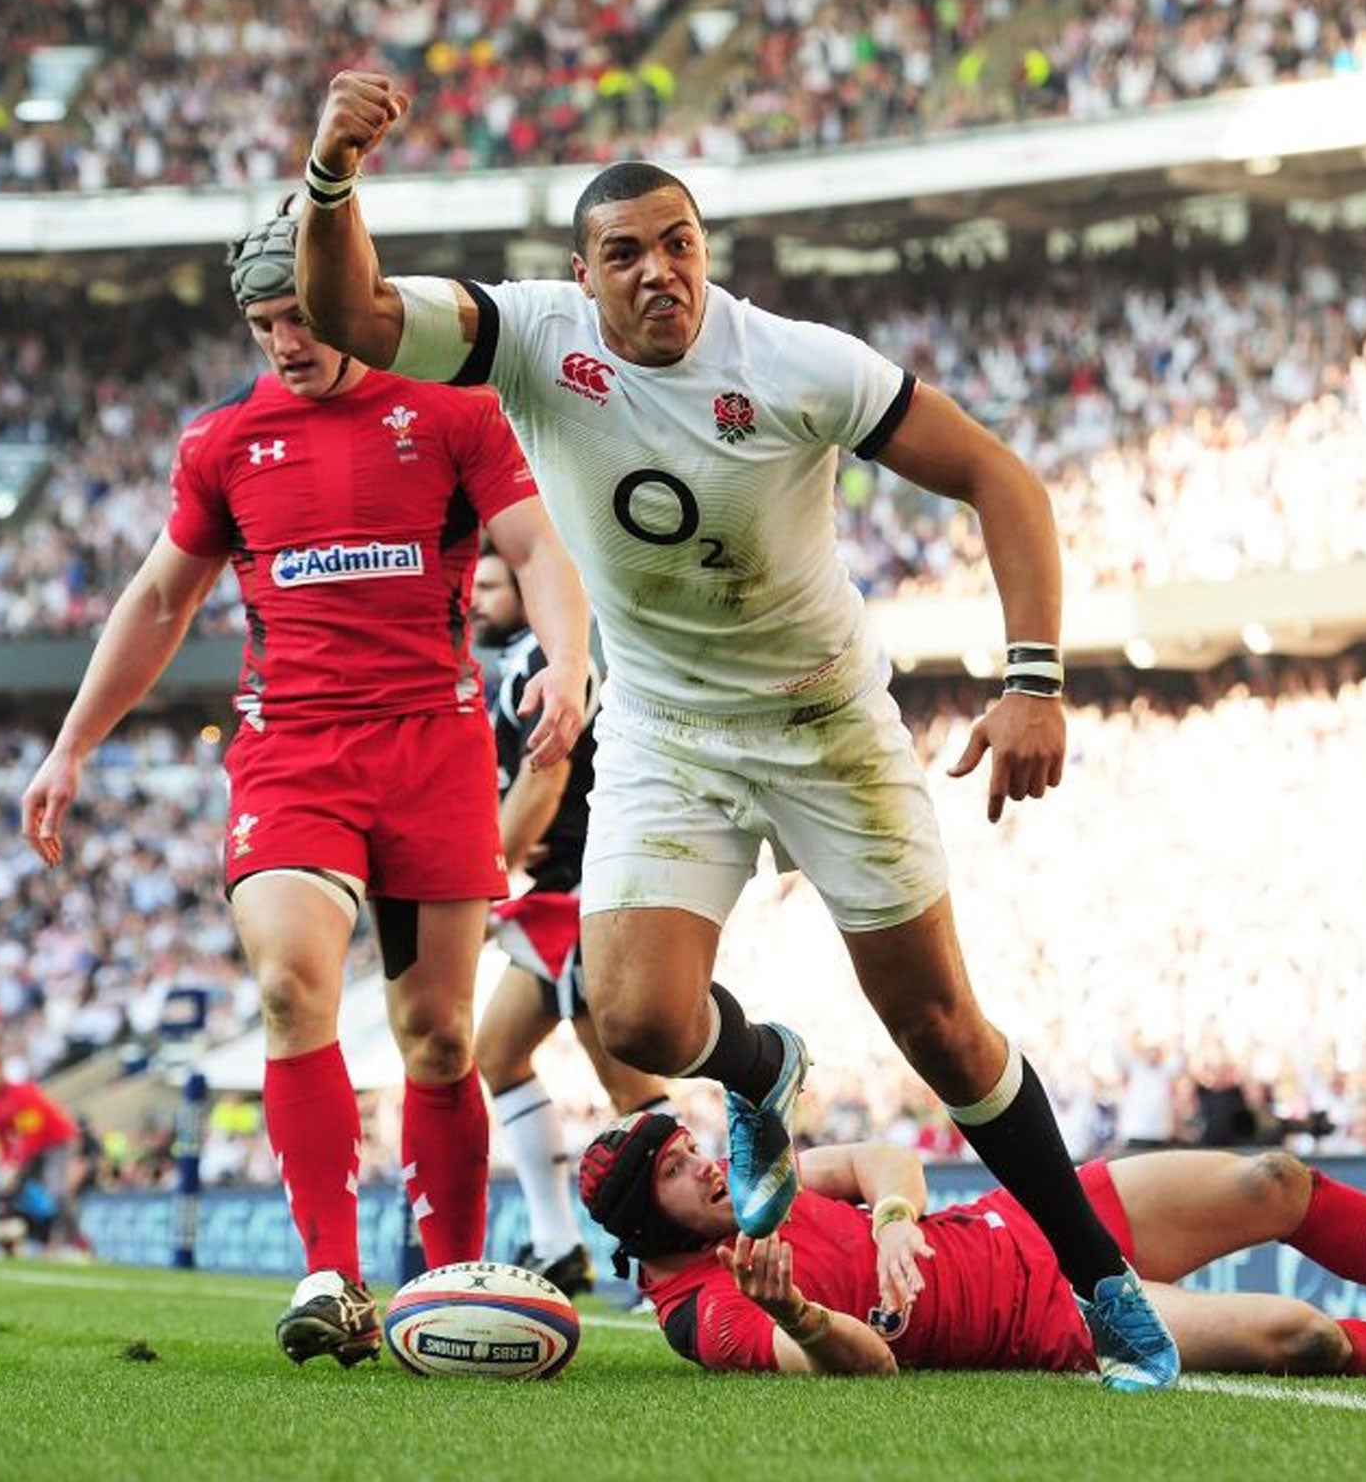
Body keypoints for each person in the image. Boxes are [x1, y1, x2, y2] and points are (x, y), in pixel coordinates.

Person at [295, 70, 1177, 1392]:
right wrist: (332, 176)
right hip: (668, 728)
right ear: (582, 277)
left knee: (944, 1030)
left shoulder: (797, 363)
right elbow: (344, 311)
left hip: (824, 724)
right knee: (639, 1019)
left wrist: (1036, 678)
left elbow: (1001, 477)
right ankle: (762, 1068)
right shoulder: (534, 342)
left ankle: (1100, 1281)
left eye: (680, 244)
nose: (660, 273)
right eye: (627, 254)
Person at [18, 200, 593, 1368]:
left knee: (436, 1035)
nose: (283, 339)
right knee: (291, 986)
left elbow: (535, 551)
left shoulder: (450, 411)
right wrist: (71, 743)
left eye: (298, 315)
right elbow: (159, 600)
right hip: (292, 751)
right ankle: (330, 1272)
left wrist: (569, 669)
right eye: (262, 322)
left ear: (347, 299)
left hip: (432, 748)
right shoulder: (223, 442)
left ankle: (444, 1286)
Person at [578, 1110, 1366, 1380]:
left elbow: (879, 1159)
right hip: (1052, 1318)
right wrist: (799, 1312)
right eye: (675, 1169)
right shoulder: (706, 1316)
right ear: (643, 1220)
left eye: (689, 1146)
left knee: (1270, 1180)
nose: (706, 1165)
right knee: (1298, 1337)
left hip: (1034, 1221)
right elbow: (866, 1363)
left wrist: (896, 1219)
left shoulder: (751, 1182)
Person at [467, 545, 673, 1298]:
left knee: (627, 1081)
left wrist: (484, 881)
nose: (474, 599)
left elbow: (541, 787)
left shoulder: (548, 663)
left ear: (529, 591)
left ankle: (685, 1256)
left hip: (589, 889)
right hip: (562, 891)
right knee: (497, 1050)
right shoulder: (526, 662)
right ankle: (556, 1246)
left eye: (489, 586)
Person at [0, 1053, 90, 1257]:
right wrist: (6, 1164)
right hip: (32, 1149)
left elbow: (31, 1134)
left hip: (57, 1142)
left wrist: (16, 1165)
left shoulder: (23, 1094)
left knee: (57, 1191)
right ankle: (10, 1245)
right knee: (6, 1190)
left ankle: (77, 1243)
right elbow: (1, 1136)